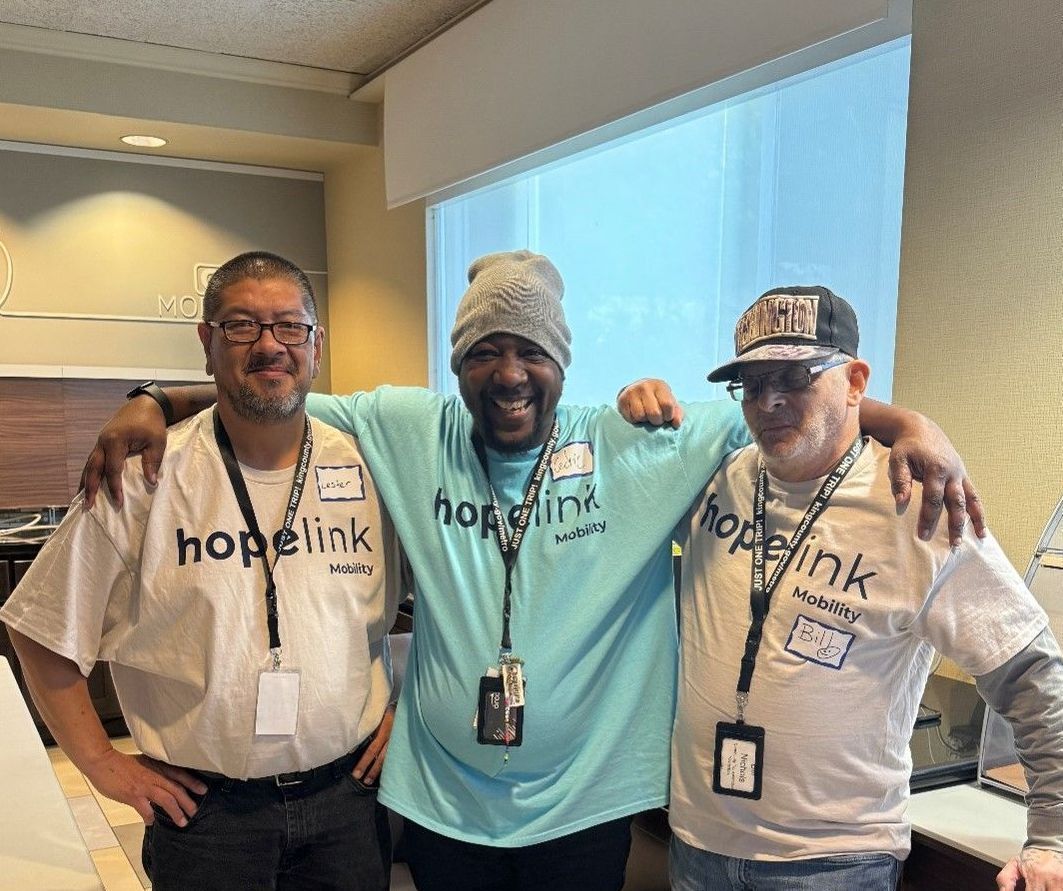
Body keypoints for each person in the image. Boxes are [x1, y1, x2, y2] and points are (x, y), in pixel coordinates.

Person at [81, 252, 981, 891]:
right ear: (456, 365)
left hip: (584, 808)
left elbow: (790, 403)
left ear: (564, 364)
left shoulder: (640, 440)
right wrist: (154, 399)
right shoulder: (404, 427)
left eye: (531, 352)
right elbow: (273, 389)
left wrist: (908, 426)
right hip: (441, 804)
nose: (509, 374)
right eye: (483, 352)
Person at [622, 285, 1063, 891]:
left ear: (855, 381)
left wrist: (1052, 841)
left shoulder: (921, 508)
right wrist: (633, 402)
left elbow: (1034, 676)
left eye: (796, 376)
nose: (768, 400)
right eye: (751, 383)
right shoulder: (714, 472)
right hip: (698, 846)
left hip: (832, 864)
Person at [1, 252, 401, 890]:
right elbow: (38, 626)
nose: (269, 345)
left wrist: (409, 709)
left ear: (316, 345)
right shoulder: (143, 478)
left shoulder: (373, 471)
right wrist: (103, 762)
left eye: (289, 326)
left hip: (348, 804)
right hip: (209, 819)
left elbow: (454, 591)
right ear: (207, 343)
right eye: (243, 326)